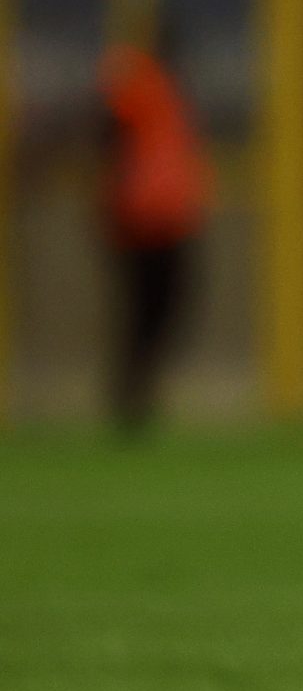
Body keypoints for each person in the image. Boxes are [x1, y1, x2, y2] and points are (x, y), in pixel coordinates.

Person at [100, 34, 211, 434]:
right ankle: (131, 397)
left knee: (158, 310)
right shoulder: (141, 82)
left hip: (168, 217)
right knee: (148, 310)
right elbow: (108, 133)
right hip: (142, 217)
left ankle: (136, 394)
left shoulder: (169, 91)